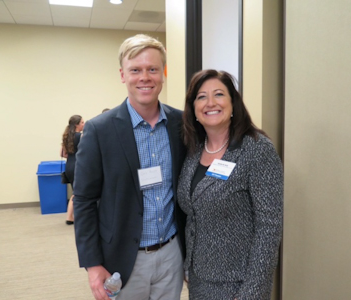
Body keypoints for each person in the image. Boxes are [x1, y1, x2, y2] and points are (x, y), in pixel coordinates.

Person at [73, 34, 187, 300]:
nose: (144, 77)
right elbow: (84, 200)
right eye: (135, 70)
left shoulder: (181, 124)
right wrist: (92, 264)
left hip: (172, 255)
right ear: (123, 75)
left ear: (162, 74)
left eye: (152, 69)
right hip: (124, 259)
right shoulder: (99, 129)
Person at [178, 69, 283, 299]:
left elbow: (269, 228)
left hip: (239, 285)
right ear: (194, 108)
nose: (210, 102)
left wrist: (252, 291)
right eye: (201, 97)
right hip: (198, 281)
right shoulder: (193, 151)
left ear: (233, 103)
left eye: (219, 94)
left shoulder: (256, 150)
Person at [61, 115, 84, 225]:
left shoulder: (66, 137)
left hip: (69, 165)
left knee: (75, 191)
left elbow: (63, 154)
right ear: (77, 125)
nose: (84, 124)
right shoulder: (81, 137)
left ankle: (71, 216)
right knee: (77, 193)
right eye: (82, 122)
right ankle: (70, 217)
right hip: (78, 166)